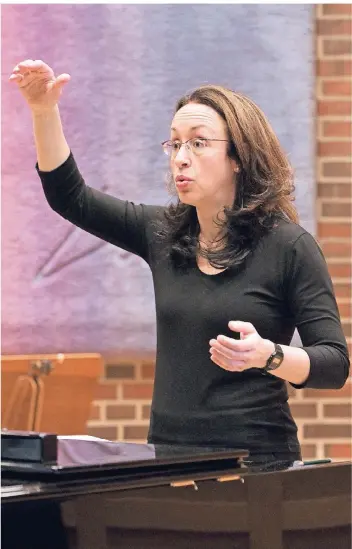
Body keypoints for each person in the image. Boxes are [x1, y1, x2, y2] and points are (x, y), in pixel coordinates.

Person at [9, 59, 349, 466]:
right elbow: (71, 197)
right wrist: (44, 111)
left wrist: (269, 356)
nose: (180, 157)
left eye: (198, 142)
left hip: (257, 464)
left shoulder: (288, 246)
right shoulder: (163, 232)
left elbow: (334, 364)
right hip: (168, 459)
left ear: (239, 157)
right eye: (175, 143)